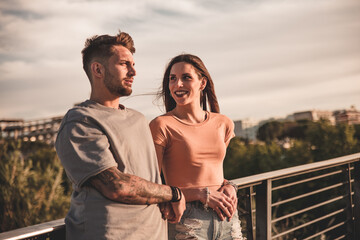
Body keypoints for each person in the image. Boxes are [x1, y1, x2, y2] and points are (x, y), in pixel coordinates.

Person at [55, 31, 186, 240]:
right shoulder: (80, 121)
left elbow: (153, 179)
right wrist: (173, 193)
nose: (133, 72)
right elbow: (115, 185)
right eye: (124, 64)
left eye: (133, 64)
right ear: (98, 69)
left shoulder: (139, 119)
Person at [149, 54, 243, 240]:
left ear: (202, 83)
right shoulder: (161, 125)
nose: (178, 84)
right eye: (172, 79)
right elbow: (153, 187)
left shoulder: (223, 123)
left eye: (186, 77)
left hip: (227, 216)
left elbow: (212, 170)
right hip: (187, 219)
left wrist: (231, 186)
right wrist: (201, 194)